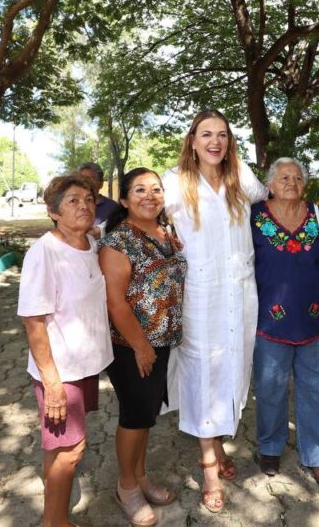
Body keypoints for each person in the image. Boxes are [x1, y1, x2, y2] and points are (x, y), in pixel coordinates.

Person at [162, 109, 268, 513]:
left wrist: (318, 218)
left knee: (231, 369)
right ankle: (209, 469)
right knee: (203, 371)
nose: (215, 141)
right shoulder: (174, 182)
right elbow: (143, 213)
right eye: (206, 134)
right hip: (199, 297)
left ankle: (218, 445)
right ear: (193, 141)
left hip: (240, 294)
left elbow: (274, 200)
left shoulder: (241, 177)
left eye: (222, 134)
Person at [18, 174, 113, 527]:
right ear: (53, 212)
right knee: (72, 451)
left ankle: (54, 516)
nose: (84, 206)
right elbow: (33, 321)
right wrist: (53, 384)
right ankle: (55, 522)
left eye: (88, 199)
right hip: (60, 370)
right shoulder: (44, 253)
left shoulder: (90, 243)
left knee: (58, 447)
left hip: (84, 364)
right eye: (72, 201)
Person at [99, 168, 185, 526]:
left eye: (156, 189)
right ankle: (126, 487)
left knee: (147, 415)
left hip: (161, 342)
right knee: (134, 417)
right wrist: (141, 346)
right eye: (139, 190)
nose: (150, 196)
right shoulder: (118, 241)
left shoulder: (166, 233)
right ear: (123, 199)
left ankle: (141, 475)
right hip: (130, 346)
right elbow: (114, 302)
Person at [250, 157, 319, 489]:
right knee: (270, 388)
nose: (291, 182)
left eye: (298, 178)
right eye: (284, 177)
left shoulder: (318, 215)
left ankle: (317, 456)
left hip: (316, 319)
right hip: (268, 320)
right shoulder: (253, 216)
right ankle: (270, 446)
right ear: (269, 184)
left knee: (317, 389)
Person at [79, 162, 119, 230]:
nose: (84, 183)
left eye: (88, 179)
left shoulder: (114, 208)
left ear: (101, 183)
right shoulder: (70, 205)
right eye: (80, 179)